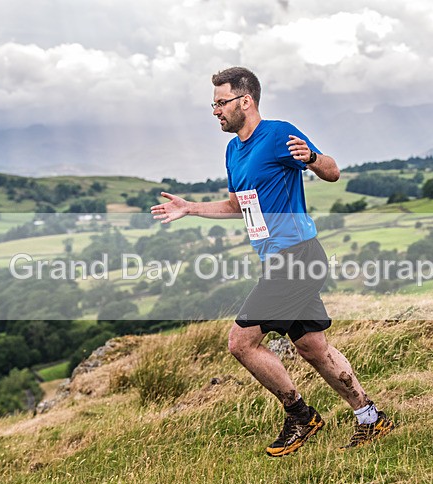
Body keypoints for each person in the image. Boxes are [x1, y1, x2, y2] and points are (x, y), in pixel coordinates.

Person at [151, 66, 393, 457]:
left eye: (220, 102)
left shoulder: (278, 134)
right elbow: (236, 204)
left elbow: (331, 171)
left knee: (241, 341)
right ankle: (371, 418)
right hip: (278, 259)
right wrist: (189, 207)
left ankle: (301, 416)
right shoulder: (233, 150)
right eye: (212, 104)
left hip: (296, 256)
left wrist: (312, 158)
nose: (215, 111)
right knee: (314, 347)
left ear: (245, 101)